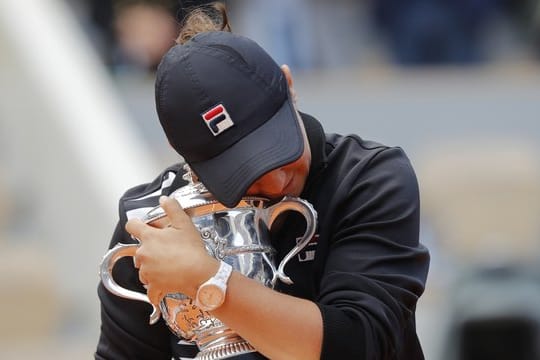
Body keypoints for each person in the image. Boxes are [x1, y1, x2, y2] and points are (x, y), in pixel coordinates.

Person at [95, 2, 430, 359]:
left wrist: (206, 280)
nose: (277, 181)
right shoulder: (151, 222)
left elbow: (361, 345)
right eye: (244, 172)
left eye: (278, 148)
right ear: (185, 157)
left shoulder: (367, 177)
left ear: (289, 85)